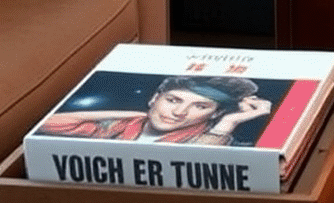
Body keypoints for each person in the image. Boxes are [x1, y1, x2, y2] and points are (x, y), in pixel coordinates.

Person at [35, 73, 271, 146]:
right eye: (172, 100)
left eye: (199, 106)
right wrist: (133, 114)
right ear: (155, 98)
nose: (180, 112)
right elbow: (48, 123)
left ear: (216, 113)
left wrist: (227, 124)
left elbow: (197, 159)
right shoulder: (118, 128)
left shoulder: (215, 138)